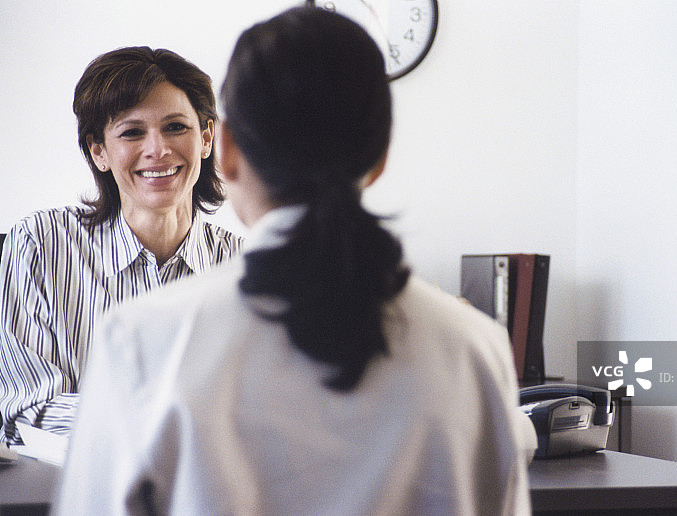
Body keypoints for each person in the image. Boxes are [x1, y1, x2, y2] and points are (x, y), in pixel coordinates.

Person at [55, 7, 534, 515]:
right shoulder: (474, 349)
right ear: (381, 156)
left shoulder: (141, 342)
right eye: (132, 133)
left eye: (175, 127)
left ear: (225, 148)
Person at [0, 46, 243, 443]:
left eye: (175, 127)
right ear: (99, 152)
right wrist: (182, 426)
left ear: (206, 138)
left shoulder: (245, 265)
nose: (158, 149)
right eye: (132, 132)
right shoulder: (38, 246)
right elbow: (29, 409)